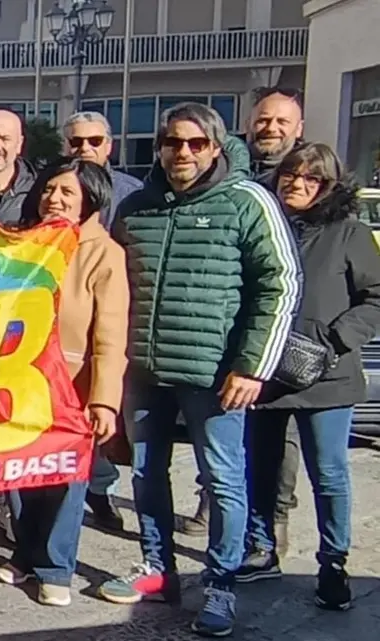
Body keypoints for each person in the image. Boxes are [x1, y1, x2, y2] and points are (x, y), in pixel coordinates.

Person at [98, 103, 301, 638]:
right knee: (145, 474)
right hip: (144, 370)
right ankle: (157, 568)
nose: (181, 152)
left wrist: (252, 366)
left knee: (223, 479)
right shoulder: (137, 207)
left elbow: (280, 286)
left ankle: (220, 584)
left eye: (194, 143)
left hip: (216, 376)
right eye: (171, 143)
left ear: (214, 147)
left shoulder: (246, 201)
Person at [240, 142, 380, 612]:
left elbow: (375, 298)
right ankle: (262, 550)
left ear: (328, 185)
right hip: (266, 373)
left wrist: (335, 341)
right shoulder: (264, 226)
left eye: (310, 179)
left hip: (328, 377)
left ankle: (333, 564)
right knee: (262, 468)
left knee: (330, 473)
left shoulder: (349, 233)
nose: (297, 184)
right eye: (290, 175)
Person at [0, 157, 128, 607]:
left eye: (67, 193)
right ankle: (25, 554)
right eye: (50, 190)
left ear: (90, 200)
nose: (55, 200)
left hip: (71, 386)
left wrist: (104, 400)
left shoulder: (102, 253)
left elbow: (110, 335)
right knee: (18, 475)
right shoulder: (21, 240)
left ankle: (55, 567)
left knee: (64, 480)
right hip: (17, 380)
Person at [60, 111, 144, 532]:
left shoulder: (131, 193)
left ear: (109, 145)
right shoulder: (58, 185)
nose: (85, 149)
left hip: (112, 305)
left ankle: (102, 493)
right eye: (76, 142)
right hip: (67, 321)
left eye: (94, 141)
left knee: (104, 417)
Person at [242, 86, 307, 555]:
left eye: (282, 122)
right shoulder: (237, 177)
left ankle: (274, 517)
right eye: (265, 120)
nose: (272, 129)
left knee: (278, 437)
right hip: (234, 325)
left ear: (298, 129)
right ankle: (216, 499)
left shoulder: (305, 181)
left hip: (286, 333)